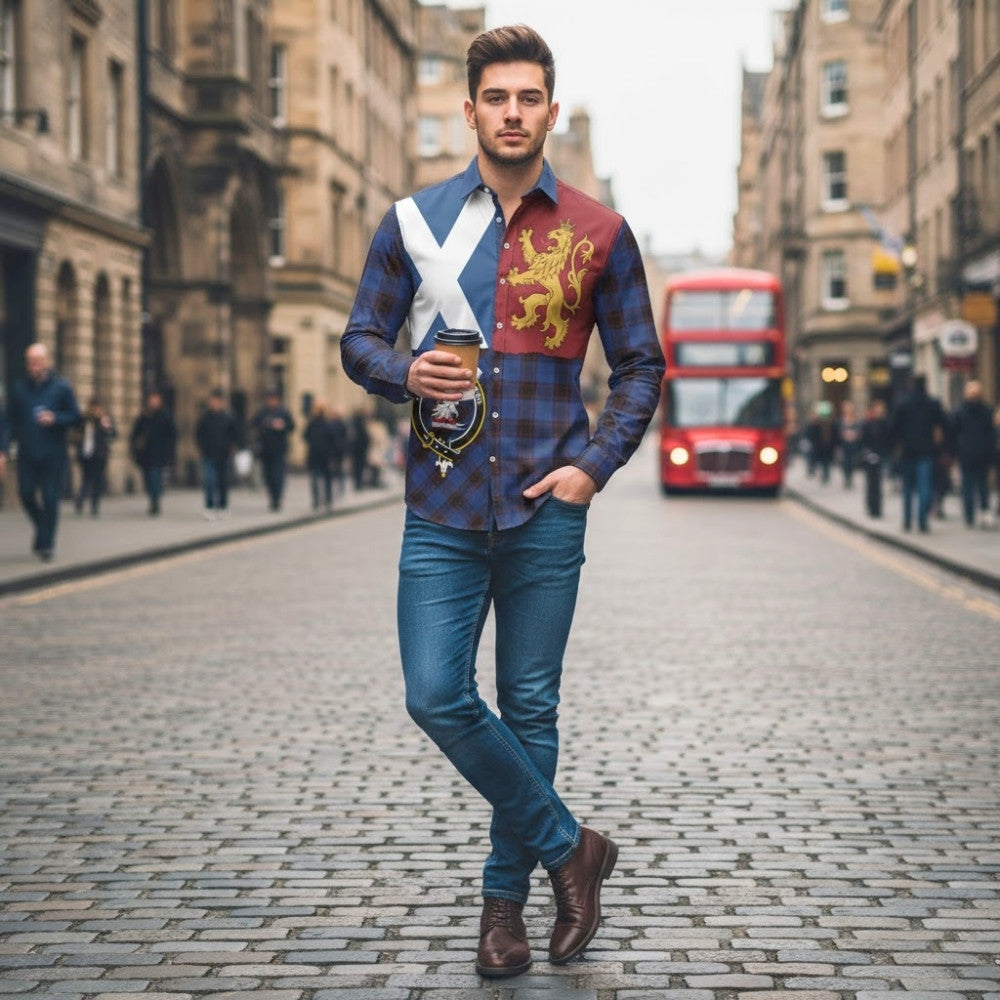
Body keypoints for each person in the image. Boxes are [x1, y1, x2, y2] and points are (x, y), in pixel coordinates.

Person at [341, 25, 665, 978]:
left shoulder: (599, 231)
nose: (513, 113)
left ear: (550, 112)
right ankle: (573, 848)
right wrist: (406, 373)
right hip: (441, 505)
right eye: (498, 99)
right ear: (472, 109)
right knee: (436, 693)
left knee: (529, 709)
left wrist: (593, 467)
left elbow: (641, 363)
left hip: (545, 503)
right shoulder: (414, 222)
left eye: (530, 99)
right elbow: (360, 337)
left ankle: (504, 909)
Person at [3, 343, 81, 560]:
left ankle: (46, 545)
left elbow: (76, 417)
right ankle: (42, 528)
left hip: (53, 453)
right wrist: (3, 450)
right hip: (27, 452)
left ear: (47, 362)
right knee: (26, 494)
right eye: (29, 362)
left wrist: (56, 418)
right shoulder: (19, 389)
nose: (33, 367)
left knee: (50, 497)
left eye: (37, 362)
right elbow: (9, 420)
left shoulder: (61, 387)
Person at [890, 374, 947, 533]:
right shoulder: (932, 403)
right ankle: (922, 520)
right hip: (926, 451)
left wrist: (897, 444)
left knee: (907, 488)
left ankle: (908, 521)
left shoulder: (903, 403)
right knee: (925, 487)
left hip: (908, 451)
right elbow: (944, 423)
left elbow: (894, 428)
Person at [950, 379, 995, 528]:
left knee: (968, 486)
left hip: (967, 455)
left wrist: (954, 453)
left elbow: (953, 434)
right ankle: (983, 512)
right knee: (982, 486)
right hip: (981, 454)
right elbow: (991, 436)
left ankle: (970, 515)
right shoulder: (987, 411)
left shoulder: (960, 411)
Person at [130, 391, 177, 516]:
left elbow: (172, 435)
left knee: (156, 477)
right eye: (152, 400)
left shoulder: (165, 416)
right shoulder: (144, 415)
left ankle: (155, 501)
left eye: (156, 400)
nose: (153, 402)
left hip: (159, 453)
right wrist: (135, 449)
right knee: (148, 478)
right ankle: (152, 498)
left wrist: (168, 450)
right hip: (146, 454)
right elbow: (135, 434)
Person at [195, 388, 238, 519]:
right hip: (208, 455)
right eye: (211, 401)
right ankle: (209, 507)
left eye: (216, 401)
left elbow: (235, 435)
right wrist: (202, 448)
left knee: (223, 482)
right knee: (209, 481)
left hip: (224, 455)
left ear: (221, 402)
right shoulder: (204, 419)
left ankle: (223, 506)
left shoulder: (228, 418)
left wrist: (231, 448)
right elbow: (198, 435)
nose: (213, 404)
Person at [250, 390, 295, 510]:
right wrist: (266, 425)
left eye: (274, 399)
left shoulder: (283, 412)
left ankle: (277, 498)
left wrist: (283, 425)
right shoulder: (262, 412)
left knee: (278, 475)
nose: (272, 401)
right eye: (270, 399)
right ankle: (272, 497)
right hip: (265, 449)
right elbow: (253, 424)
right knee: (268, 476)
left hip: (279, 449)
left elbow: (292, 426)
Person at [74, 397, 117, 516]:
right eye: (94, 407)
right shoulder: (84, 419)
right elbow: (75, 433)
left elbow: (113, 434)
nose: (96, 410)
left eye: (98, 408)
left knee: (97, 480)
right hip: (86, 454)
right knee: (86, 478)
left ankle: (94, 505)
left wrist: (106, 427)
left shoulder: (105, 420)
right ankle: (80, 500)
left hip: (100, 455)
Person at [859, 398, 891, 518]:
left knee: (878, 484)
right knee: (870, 483)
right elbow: (863, 440)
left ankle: (877, 509)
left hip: (881, 456)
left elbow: (888, 439)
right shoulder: (868, 423)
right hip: (869, 457)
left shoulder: (886, 423)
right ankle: (871, 506)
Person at [303, 399, 336, 510]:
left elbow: (305, 436)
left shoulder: (316, 423)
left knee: (319, 478)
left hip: (320, 455)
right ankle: (324, 500)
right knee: (321, 479)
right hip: (320, 455)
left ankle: (322, 500)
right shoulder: (325, 424)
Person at [804, 401, 838, 483]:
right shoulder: (816, 424)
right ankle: (821, 474)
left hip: (828, 447)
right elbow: (810, 434)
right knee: (821, 462)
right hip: (819, 447)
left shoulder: (832, 424)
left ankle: (826, 476)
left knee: (826, 463)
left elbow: (835, 435)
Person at [837, 399, 861, 489]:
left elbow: (859, 430)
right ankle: (846, 478)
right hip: (844, 444)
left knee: (852, 462)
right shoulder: (840, 420)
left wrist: (854, 434)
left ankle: (850, 478)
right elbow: (837, 431)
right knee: (845, 462)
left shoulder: (856, 419)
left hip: (853, 444)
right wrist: (844, 434)